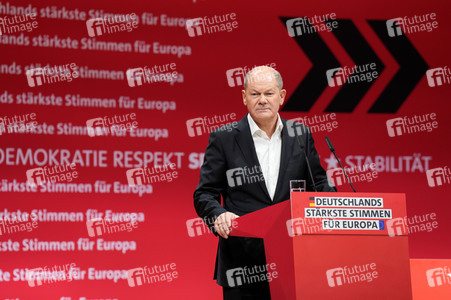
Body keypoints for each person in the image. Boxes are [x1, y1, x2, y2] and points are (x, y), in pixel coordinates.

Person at [193, 66, 336, 299]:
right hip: (242, 264)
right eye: (255, 94)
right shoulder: (225, 137)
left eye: (269, 93)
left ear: (281, 96)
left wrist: (337, 206)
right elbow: (205, 193)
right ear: (244, 97)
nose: (262, 100)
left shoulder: (300, 134)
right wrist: (218, 215)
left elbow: (318, 184)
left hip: (294, 259)